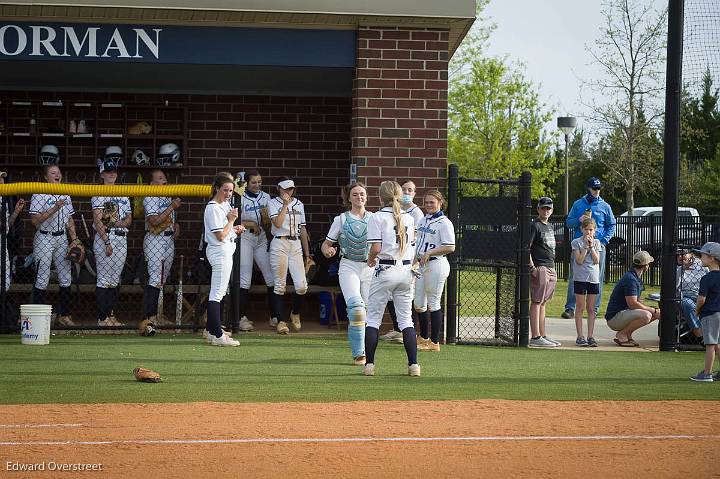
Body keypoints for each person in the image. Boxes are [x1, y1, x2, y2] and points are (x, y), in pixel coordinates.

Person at [364, 180, 420, 377]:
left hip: (386, 269)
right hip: (405, 270)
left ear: (381, 197)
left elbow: (376, 248)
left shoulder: (377, 217)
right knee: (406, 321)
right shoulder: (409, 217)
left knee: (373, 319)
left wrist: (371, 259)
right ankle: (414, 365)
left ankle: (369, 365)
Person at [321, 182, 373, 365]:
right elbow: (326, 244)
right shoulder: (341, 219)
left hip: (369, 267)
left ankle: (369, 352)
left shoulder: (374, 218)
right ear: (348, 198)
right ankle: (359, 353)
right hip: (349, 265)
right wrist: (327, 251)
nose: (359, 197)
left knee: (369, 311)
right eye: (355, 194)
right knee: (357, 309)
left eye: (362, 194)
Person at [29, 153, 82, 327]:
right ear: (45, 177)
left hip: (61, 238)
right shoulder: (39, 192)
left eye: (58, 172)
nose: (57, 174)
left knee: (66, 277)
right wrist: (54, 208)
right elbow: (34, 221)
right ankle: (37, 316)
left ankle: (64, 315)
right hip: (44, 237)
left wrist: (74, 239)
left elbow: (70, 219)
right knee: (42, 277)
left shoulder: (65, 193)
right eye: (52, 173)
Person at [562, 177, 615, 319]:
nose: (596, 191)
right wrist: (579, 219)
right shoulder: (578, 204)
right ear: (588, 188)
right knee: (575, 275)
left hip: (597, 245)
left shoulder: (605, 206)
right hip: (580, 244)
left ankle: (594, 308)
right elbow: (568, 223)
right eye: (594, 188)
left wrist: (603, 241)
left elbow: (612, 225)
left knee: (598, 276)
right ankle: (570, 308)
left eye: (598, 188)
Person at [379, 179, 424, 343]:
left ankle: (407, 331)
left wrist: (414, 261)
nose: (406, 193)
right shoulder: (389, 212)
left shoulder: (415, 213)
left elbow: (417, 238)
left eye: (410, 190)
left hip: (408, 259)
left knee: (407, 299)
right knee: (392, 296)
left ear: (414, 193)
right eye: (404, 190)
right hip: (393, 261)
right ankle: (398, 329)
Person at [203, 173, 245, 346]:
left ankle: (211, 331)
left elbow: (226, 230)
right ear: (217, 188)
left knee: (218, 292)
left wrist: (235, 228)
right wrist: (232, 221)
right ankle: (218, 335)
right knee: (217, 293)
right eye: (225, 190)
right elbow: (220, 235)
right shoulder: (212, 207)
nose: (228, 194)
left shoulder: (224, 204)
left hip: (225, 249)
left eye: (231, 191)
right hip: (219, 251)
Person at [91, 149, 131, 327]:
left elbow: (129, 219)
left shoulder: (122, 192)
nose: (111, 174)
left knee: (115, 280)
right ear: (102, 174)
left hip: (122, 238)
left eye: (114, 171)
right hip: (105, 239)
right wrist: (107, 241)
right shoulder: (99, 192)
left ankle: (111, 315)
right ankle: (102, 318)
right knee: (104, 279)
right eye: (108, 171)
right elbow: (100, 220)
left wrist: (118, 224)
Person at [268, 177, 311, 335]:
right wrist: (285, 205)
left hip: (296, 244)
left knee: (301, 286)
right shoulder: (273, 203)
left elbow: (304, 229)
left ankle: (295, 312)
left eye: (290, 189)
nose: (288, 192)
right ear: (278, 188)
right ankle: (280, 321)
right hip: (280, 242)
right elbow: (278, 224)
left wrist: (307, 253)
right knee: (280, 285)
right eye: (285, 189)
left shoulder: (300, 204)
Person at [414, 190, 455, 352]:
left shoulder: (445, 222)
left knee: (433, 303)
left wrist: (430, 253)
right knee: (418, 303)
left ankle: (435, 342)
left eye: (432, 202)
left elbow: (450, 246)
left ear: (440, 203)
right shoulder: (424, 220)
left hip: (436, 264)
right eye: (427, 202)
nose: (429, 205)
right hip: (421, 265)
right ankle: (423, 338)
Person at [237, 170, 277, 332]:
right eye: (254, 182)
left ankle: (275, 315)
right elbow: (232, 217)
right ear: (246, 183)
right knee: (245, 278)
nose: (257, 185)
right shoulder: (238, 196)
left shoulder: (266, 197)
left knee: (271, 276)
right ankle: (240, 317)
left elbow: (270, 222)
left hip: (261, 239)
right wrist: (250, 223)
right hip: (245, 238)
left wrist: (267, 221)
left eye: (260, 182)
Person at [142, 169, 181, 326]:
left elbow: (168, 218)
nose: (164, 180)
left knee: (162, 279)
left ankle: (159, 314)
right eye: (160, 178)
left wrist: (176, 226)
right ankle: (149, 316)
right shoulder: (150, 196)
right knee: (155, 278)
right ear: (152, 183)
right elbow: (154, 221)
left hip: (168, 239)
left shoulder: (167, 195)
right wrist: (172, 207)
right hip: (154, 240)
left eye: (165, 177)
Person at [605, 250, 660, 347]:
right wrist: (653, 310)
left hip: (623, 314)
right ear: (646, 266)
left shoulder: (634, 276)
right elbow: (633, 304)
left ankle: (627, 334)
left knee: (653, 313)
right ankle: (621, 334)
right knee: (647, 315)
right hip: (614, 318)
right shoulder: (631, 279)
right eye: (649, 264)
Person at [528, 197, 560, 348]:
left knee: (544, 302)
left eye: (548, 209)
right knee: (536, 301)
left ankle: (543, 335)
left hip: (551, 267)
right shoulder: (534, 226)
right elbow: (526, 248)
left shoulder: (550, 226)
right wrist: (532, 268)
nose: (546, 211)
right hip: (540, 267)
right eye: (543, 208)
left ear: (552, 210)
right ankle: (535, 336)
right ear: (538, 209)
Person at [689, 242, 720, 381]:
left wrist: (697, 311)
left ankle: (707, 373)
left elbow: (701, 299)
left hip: (710, 313)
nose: (700, 257)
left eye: (703, 255)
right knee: (718, 343)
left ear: (712, 258)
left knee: (710, 344)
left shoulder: (707, 278)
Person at [571, 218, 602, 347]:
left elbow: (596, 260)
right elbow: (579, 260)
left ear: (594, 231)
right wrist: (584, 247)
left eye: (591, 229)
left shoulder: (597, 242)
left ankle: (590, 336)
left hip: (593, 278)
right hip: (580, 278)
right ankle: (580, 336)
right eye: (586, 229)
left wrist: (591, 247)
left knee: (591, 308)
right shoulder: (576, 242)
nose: (589, 232)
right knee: (580, 307)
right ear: (581, 230)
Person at [0, 171, 25, 292]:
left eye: (2, 179)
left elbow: (8, 224)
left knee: (5, 280)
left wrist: (15, 212)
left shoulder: (4, 199)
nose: (1, 181)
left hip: (2, 240)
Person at [677, 252, 708, 338]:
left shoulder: (702, 265)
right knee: (687, 305)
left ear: (690, 254)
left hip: (703, 294)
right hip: (686, 296)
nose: (680, 256)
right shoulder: (675, 267)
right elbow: (674, 286)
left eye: (683, 253)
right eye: (678, 255)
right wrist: (682, 269)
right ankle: (700, 336)